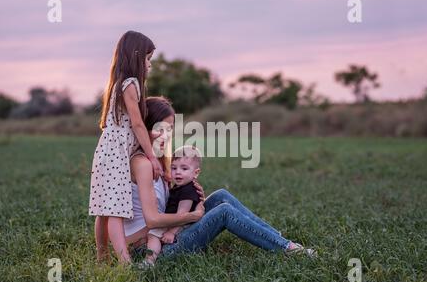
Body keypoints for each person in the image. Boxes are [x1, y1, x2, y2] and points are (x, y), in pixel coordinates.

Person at [123, 97, 315, 266]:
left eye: (169, 130)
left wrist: (190, 193)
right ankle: (288, 249)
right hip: (152, 248)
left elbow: (170, 201)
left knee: (221, 196)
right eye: (159, 129)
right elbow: (152, 220)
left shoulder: (158, 161)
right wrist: (193, 216)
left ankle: (276, 238)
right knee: (224, 212)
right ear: (145, 126)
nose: (165, 136)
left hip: (166, 232)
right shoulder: (142, 164)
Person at [88, 31, 165, 263]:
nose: (149, 64)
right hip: (116, 155)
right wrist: (151, 157)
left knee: (104, 209)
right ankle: (124, 263)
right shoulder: (131, 83)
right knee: (115, 211)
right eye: (148, 59)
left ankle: (103, 258)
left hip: (106, 151)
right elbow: (137, 123)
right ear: (136, 56)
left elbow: (128, 126)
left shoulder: (116, 83)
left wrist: (152, 134)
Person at [144, 145, 203, 266]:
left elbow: (183, 215)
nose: (178, 172)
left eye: (184, 168)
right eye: (174, 168)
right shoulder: (180, 186)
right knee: (153, 234)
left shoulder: (188, 190)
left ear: (195, 173)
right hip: (177, 221)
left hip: (181, 225)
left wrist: (172, 232)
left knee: (153, 234)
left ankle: (149, 261)